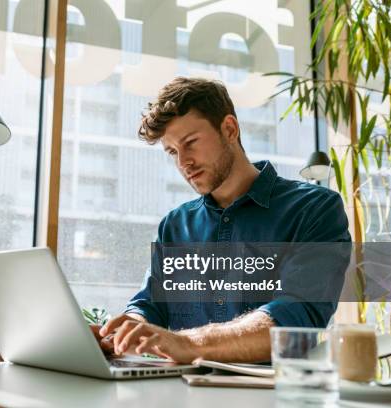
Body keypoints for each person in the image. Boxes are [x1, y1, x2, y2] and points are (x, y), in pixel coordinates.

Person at [93, 77, 351, 364]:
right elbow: (150, 305)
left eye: (190, 143)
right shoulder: (175, 225)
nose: (183, 162)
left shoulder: (315, 209)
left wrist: (188, 343)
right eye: (172, 152)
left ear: (229, 129)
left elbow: (296, 317)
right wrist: (120, 332)